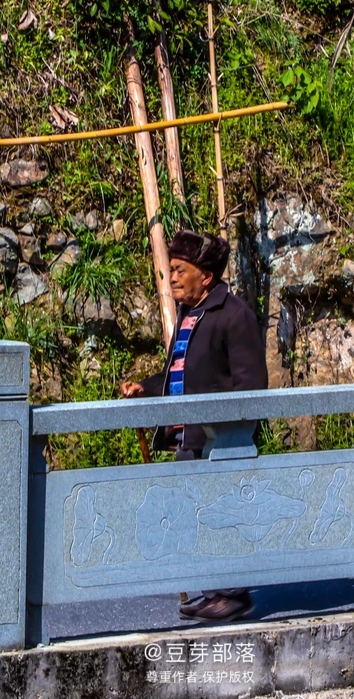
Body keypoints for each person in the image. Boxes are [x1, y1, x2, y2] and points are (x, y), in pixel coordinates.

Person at [120, 229, 268, 623]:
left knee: (218, 513)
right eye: (170, 269)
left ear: (206, 276)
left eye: (179, 270)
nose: (170, 278)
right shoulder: (191, 315)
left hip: (220, 440)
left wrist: (229, 428)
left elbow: (251, 386)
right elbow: (180, 374)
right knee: (194, 513)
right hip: (192, 434)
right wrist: (146, 388)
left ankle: (232, 595)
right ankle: (214, 590)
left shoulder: (234, 316)